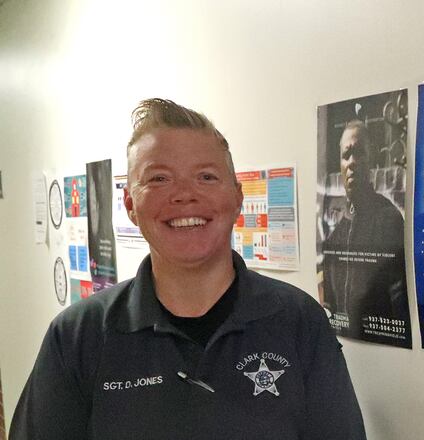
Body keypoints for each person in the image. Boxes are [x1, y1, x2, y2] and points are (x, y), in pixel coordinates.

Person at [11, 99, 366, 439]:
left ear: (237, 196)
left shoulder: (299, 322)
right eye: (159, 179)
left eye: (206, 177)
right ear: (131, 204)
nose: (184, 195)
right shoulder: (77, 338)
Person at [320, 120, 410, 346]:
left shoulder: (389, 219)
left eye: (359, 153)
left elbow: (401, 304)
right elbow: (330, 308)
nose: (352, 163)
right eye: (346, 155)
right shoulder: (334, 239)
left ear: (372, 160)